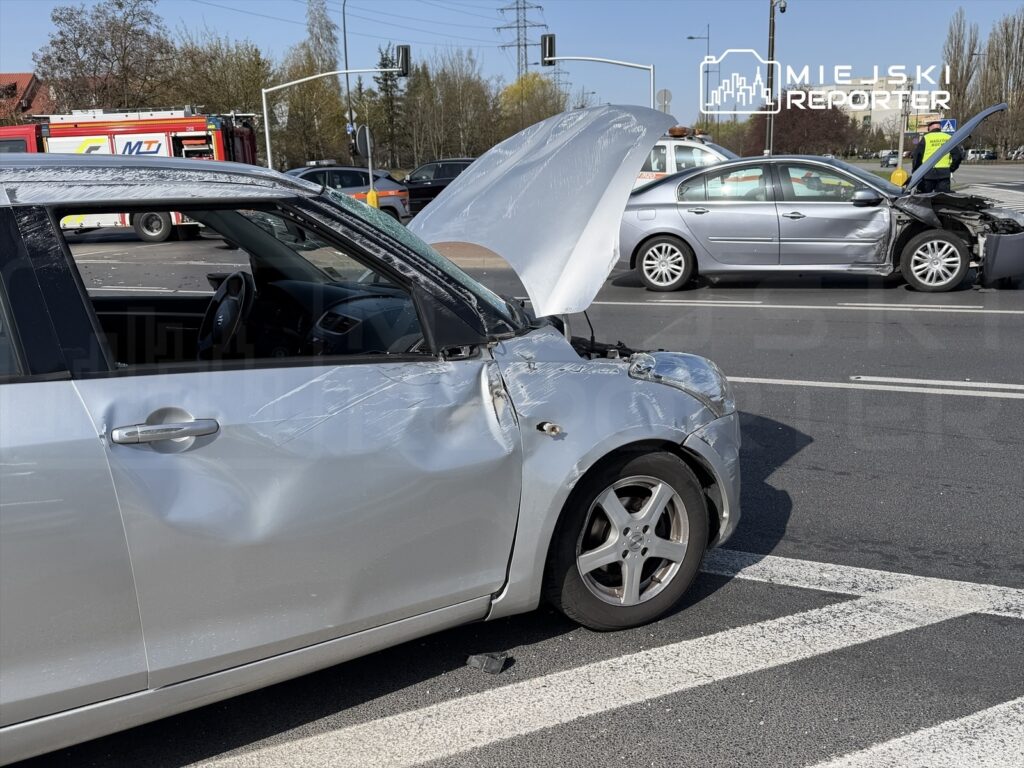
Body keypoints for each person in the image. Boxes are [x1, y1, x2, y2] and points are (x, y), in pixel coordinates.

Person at [910, 120, 964, 193]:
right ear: (940, 128)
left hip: (927, 174)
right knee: (942, 199)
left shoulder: (926, 138)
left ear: (929, 129)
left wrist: (916, 171)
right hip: (944, 174)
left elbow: (917, 157)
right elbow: (957, 156)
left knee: (923, 199)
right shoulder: (948, 137)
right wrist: (952, 168)